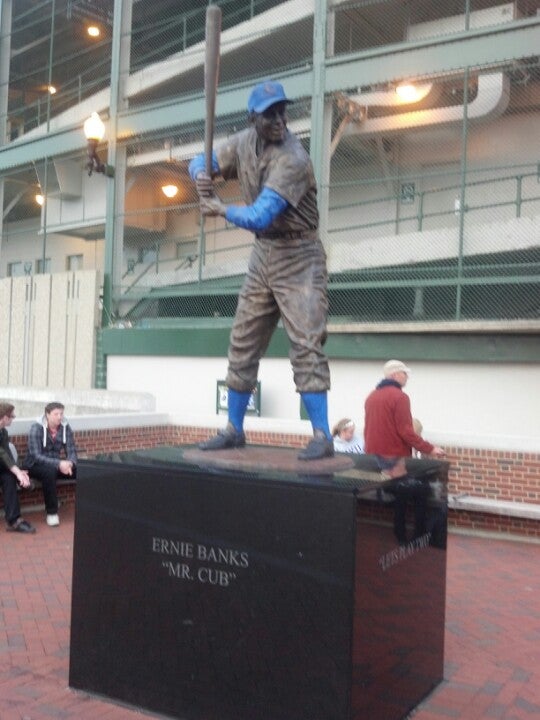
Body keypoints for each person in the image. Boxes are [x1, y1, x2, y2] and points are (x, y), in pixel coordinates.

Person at [189, 80, 333, 461]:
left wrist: (219, 208)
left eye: (282, 111)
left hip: (300, 255)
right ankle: (234, 429)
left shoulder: (294, 159)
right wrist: (200, 173)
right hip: (264, 254)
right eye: (270, 113)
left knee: (305, 345)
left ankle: (322, 434)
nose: (279, 119)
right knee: (243, 340)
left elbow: (259, 215)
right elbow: (201, 161)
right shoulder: (242, 142)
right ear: (253, 118)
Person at [364, 359, 446, 544]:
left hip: (376, 459)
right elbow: (406, 431)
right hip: (394, 457)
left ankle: (403, 534)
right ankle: (415, 535)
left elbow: (371, 428)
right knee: (418, 491)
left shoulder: (372, 397)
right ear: (394, 375)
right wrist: (430, 448)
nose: (407, 376)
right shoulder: (400, 397)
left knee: (408, 492)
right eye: (404, 373)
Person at [24, 402, 78, 527]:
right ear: (47, 415)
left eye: (61, 413)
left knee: (82, 470)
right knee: (49, 473)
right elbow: (36, 455)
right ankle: (52, 513)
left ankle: (89, 505)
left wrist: (70, 463)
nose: (59, 417)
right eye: (56, 414)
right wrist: (59, 463)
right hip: (34, 465)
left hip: (56, 465)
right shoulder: (36, 428)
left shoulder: (65, 427)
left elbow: (71, 450)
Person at [0, 402, 36, 533]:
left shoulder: (3, 432)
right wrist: (18, 473)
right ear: (4, 417)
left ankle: (14, 521)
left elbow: (7, 455)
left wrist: (18, 472)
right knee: (12, 474)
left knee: (9, 478)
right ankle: (23, 482)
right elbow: (2, 453)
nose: (13, 418)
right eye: (11, 416)